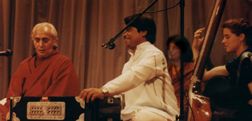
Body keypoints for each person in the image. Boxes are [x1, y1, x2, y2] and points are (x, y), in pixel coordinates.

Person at [79, 14, 179, 121]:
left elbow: (134, 76)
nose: (124, 35)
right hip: (134, 113)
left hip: (159, 113)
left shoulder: (154, 54)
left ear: (143, 32)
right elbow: (124, 93)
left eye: (129, 30)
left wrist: (103, 91)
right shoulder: (128, 64)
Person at [0, 22, 80, 120]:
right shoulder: (24, 65)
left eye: (45, 40)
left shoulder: (63, 63)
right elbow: (12, 96)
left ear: (55, 41)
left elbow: (58, 98)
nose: (40, 45)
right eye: (37, 40)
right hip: (21, 115)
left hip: (46, 115)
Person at [201, 18, 252, 121]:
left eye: (227, 37)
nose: (223, 41)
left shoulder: (247, 60)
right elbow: (204, 76)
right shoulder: (236, 63)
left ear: (241, 37)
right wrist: (197, 49)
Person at [166, 35, 194, 120]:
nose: (170, 51)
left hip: (185, 111)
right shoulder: (166, 70)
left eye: (174, 48)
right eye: (169, 48)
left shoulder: (192, 68)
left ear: (183, 50)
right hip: (167, 107)